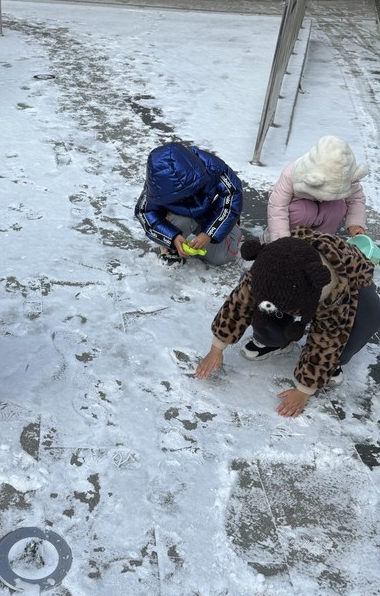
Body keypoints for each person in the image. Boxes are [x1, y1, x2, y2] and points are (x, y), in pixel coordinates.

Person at [196, 229, 380, 417]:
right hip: (292, 283)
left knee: (368, 313)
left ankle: (334, 364)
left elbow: (327, 339)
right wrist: (217, 347)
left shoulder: (337, 292)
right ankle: (272, 340)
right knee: (259, 301)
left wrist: (304, 390)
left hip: (346, 285)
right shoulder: (271, 261)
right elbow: (238, 304)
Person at [135, 142, 243, 266]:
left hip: (211, 215)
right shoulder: (158, 183)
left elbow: (232, 195)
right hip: (179, 216)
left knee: (220, 257)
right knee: (181, 222)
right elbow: (145, 211)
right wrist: (172, 237)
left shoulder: (213, 168)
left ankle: (230, 229)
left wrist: (209, 233)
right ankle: (172, 246)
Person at [267, 135, 368, 241]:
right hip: (298, 208)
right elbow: (277, 207)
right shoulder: (292, 173)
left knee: (336, 208)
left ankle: (322, 241)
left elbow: (356, 199)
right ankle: (292, 239)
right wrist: (280, 240)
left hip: (325, 209)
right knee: (304, 211)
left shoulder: (347, 175)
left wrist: (355, 224)